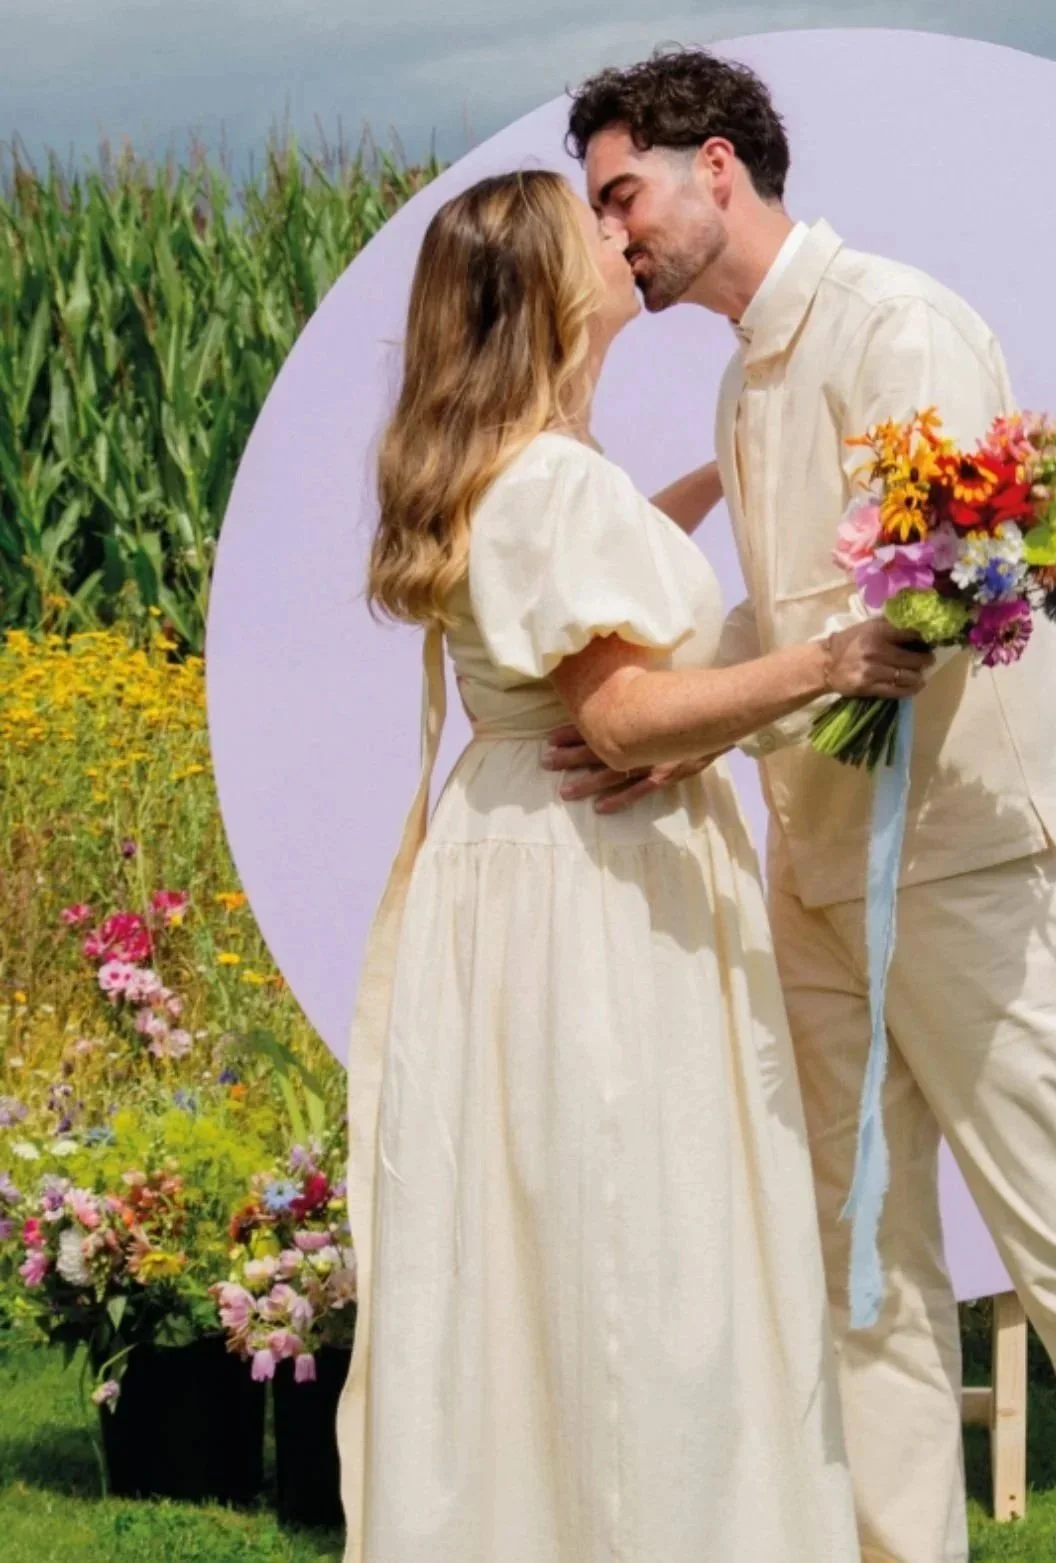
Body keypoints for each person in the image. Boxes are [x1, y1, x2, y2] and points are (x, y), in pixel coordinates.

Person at [552, 47, 1056, 1563]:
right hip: (816, 865)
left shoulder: (899, 325)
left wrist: (701, 722)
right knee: (858, 1263)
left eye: (621, 193)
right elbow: (797, 618)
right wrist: (672, 730)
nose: (610, 230)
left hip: (971, 857)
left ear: (716, 170)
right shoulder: (745, 371)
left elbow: (952, 592)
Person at [333, 165, 931, 1562]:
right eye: (591, 226)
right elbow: (615, 713)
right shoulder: (546, 487)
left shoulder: (513, 470)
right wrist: (832, 658)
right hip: (595, 886)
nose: (622, 239)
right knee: (634, 1222)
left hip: (519, 869)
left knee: (544, 1224)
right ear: (549, 287)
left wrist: (730, 475)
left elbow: (591, 577)